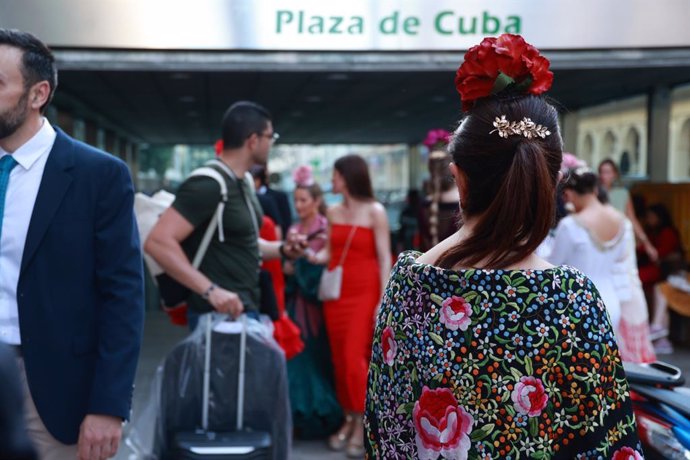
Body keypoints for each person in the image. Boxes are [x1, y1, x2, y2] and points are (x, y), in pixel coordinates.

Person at [365, 34, 642, 459]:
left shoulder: (406, 285)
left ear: (459, 179)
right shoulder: (571, 299)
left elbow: (382, 431)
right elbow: (608, 443)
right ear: (550, 182)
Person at [0, 29, 145, 460]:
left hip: (47, 388)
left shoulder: (97, 175)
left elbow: (122, 296)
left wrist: (107, 406)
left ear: (37, 94)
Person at [145, 101, 305, 330]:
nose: (272, 143)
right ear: (253, 140)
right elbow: (158, 242)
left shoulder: (243, 182)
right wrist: (210, 291)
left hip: (243, 311)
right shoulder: (208, 183)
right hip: (216, 318)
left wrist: (282, 249)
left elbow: (243, 242)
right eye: (270, 136)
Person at [311, 154, 391, 457]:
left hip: (365, 292)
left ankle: (361, 424)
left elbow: (385, 258)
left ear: (347, 177)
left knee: (354, 359)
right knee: (340, 360)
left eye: (335, 176)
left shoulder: (375, 212)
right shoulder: (331, 212)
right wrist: (308, 253)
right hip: (337, 295)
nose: (331, 181)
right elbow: (330, 253)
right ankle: (348, 417)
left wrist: (382, 301)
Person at [283, 165, 343, 438]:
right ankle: (299, 414)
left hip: (318, 302)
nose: (298, 205)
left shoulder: (325, 227)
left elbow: (328, 263)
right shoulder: (294, 228)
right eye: (295, 200)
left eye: (303, 200)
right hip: (296, 301)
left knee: (315, 357)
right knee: (297, 357)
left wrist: (299, 265)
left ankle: (321, 414)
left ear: (316, 201)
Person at [549, 168, 628, 331]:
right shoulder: (620, 221)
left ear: (569, 194)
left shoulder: (570, 225)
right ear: (596, 189)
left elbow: (552, 265)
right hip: (612, 303)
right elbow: (621, 258)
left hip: (577, 303)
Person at [599, 158, 658, 262]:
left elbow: (632, 219)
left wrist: (647, 244)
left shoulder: (623, 193)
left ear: (615, 174)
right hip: (600, 239)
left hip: (620, 239)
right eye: (602, 172)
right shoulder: (594, 193)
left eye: (607, 172)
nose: (604, 176)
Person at [418, 129, 460, 251]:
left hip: (428, 267)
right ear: (452, 168)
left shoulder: (425, 205)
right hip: (459, 269)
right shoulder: (466, 203)